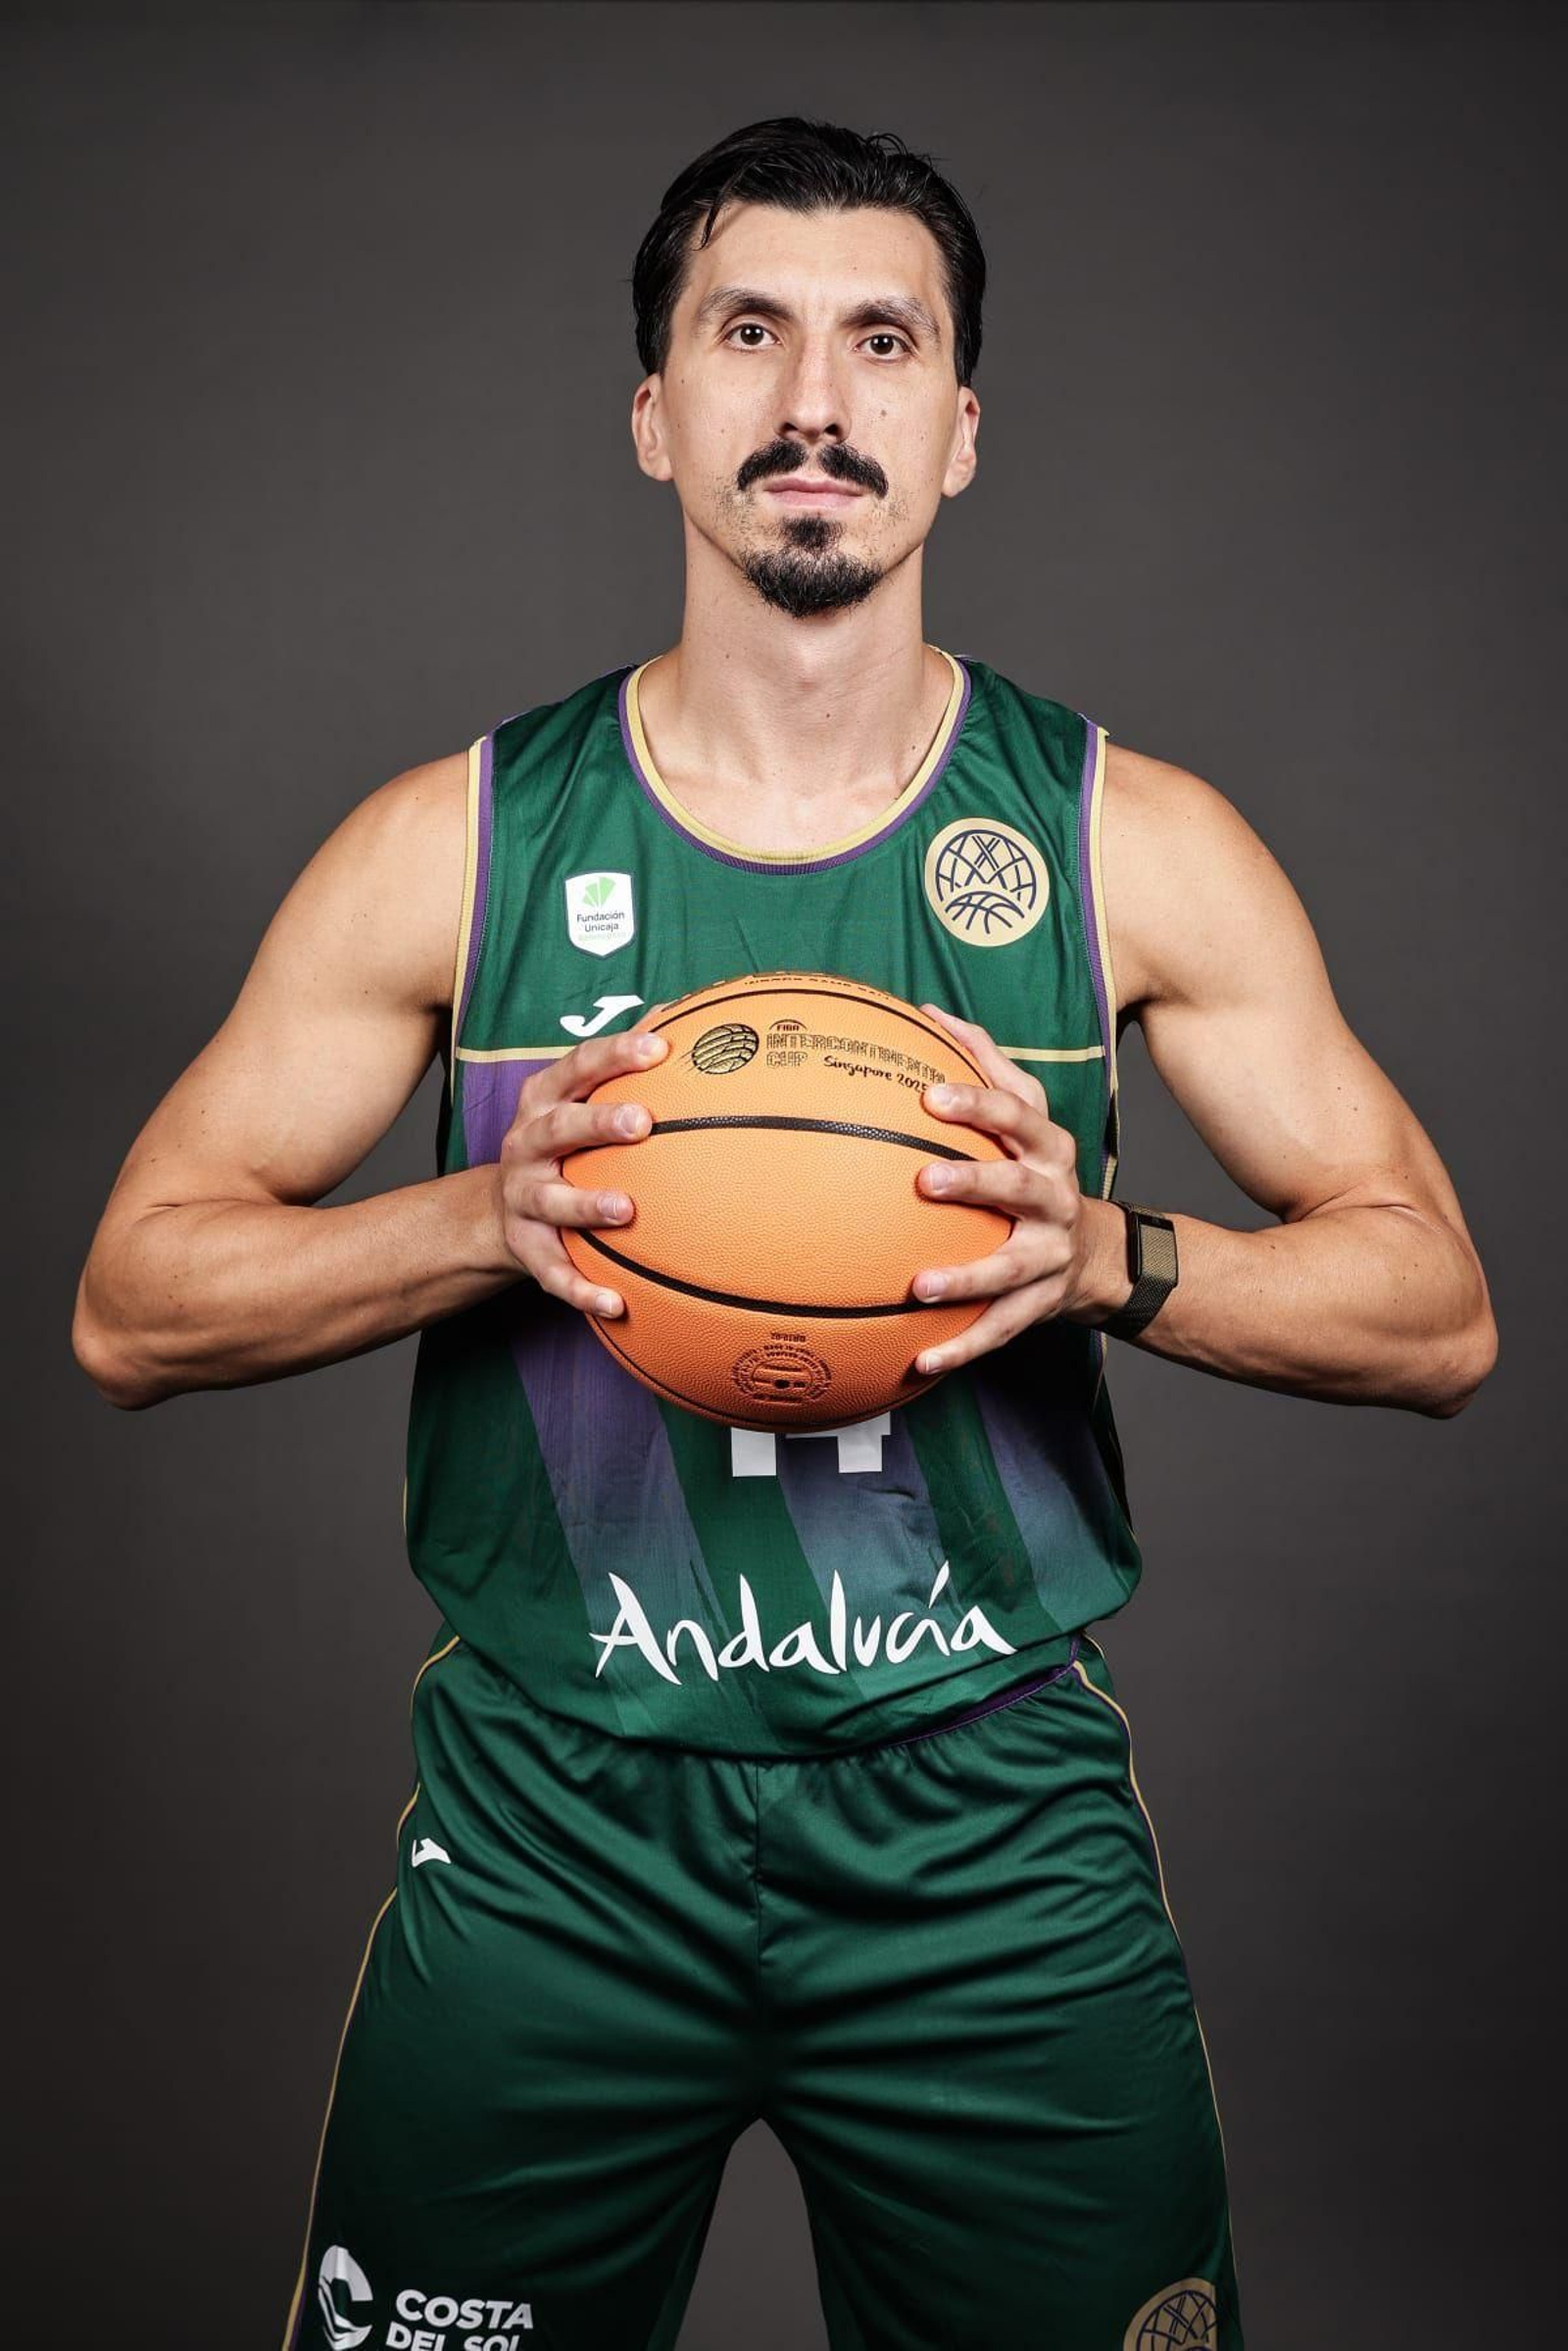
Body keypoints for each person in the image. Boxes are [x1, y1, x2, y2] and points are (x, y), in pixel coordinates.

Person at [74, 115, 1495, 2351]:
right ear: (656, 415)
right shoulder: (452, 848)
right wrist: (485, 1211)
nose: (810, 401)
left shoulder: (1128, 845)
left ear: (955, 427)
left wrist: (1110, 1257)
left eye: (875, 342)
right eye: (747, 334)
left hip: (983, 1828)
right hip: (559, 1819)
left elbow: (1434, 1307)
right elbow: (131, 1302)